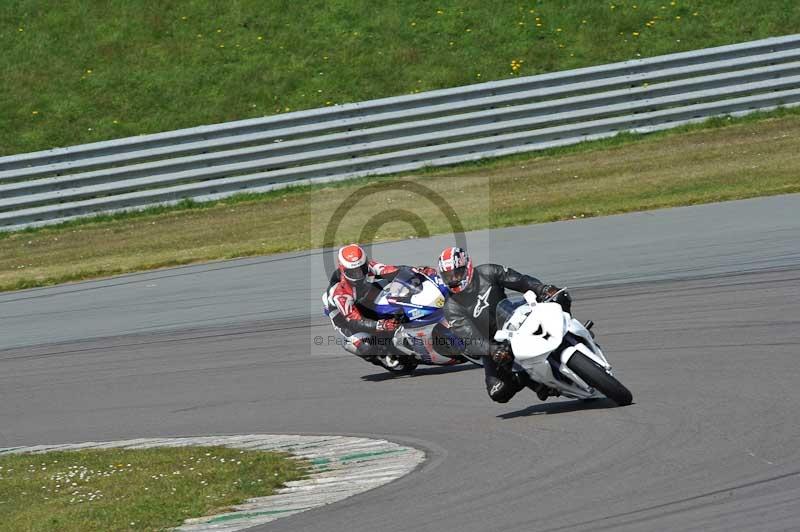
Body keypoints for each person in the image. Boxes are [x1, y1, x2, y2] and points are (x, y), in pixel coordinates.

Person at [437, 247, 572, 403]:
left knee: (560, 296)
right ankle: (531, 379)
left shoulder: (488, 272)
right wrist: (492, 349)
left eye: (457, 273)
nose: (453, 279)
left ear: (467, 266)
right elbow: (470, 337)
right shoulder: (451, 306)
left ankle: (571, 332)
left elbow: (521, 281)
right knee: (497, 392)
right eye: (448, 276)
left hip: (513, 315)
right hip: (494, 343)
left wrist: (542, 289)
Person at [323, 244, 439, 366]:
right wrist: (381, 325)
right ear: (343, 269)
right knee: (366, 347)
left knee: (396, 290)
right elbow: (354, 321)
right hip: (345, 318)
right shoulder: (340, 293)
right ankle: (382, 357)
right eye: (353, 272)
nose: (359, 275)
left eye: (361, 269)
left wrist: (419, 272)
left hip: (364, 297)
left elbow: (395, 270)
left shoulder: (370, 266)